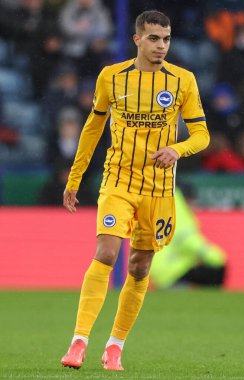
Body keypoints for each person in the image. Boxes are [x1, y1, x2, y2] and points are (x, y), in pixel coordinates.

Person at [60, 10, 210, 372]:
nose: (162, 46)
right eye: (155, 38)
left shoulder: (183, 81)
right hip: (119, 180)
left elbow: (202, 135)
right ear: (138, 39)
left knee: (141, 266)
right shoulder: (112, 77)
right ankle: (79, 340)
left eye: (167, 38)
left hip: (160, 188)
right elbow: (93, 129)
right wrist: (75, 177)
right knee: (107, 252)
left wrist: (178, 149)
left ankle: (115, 345)